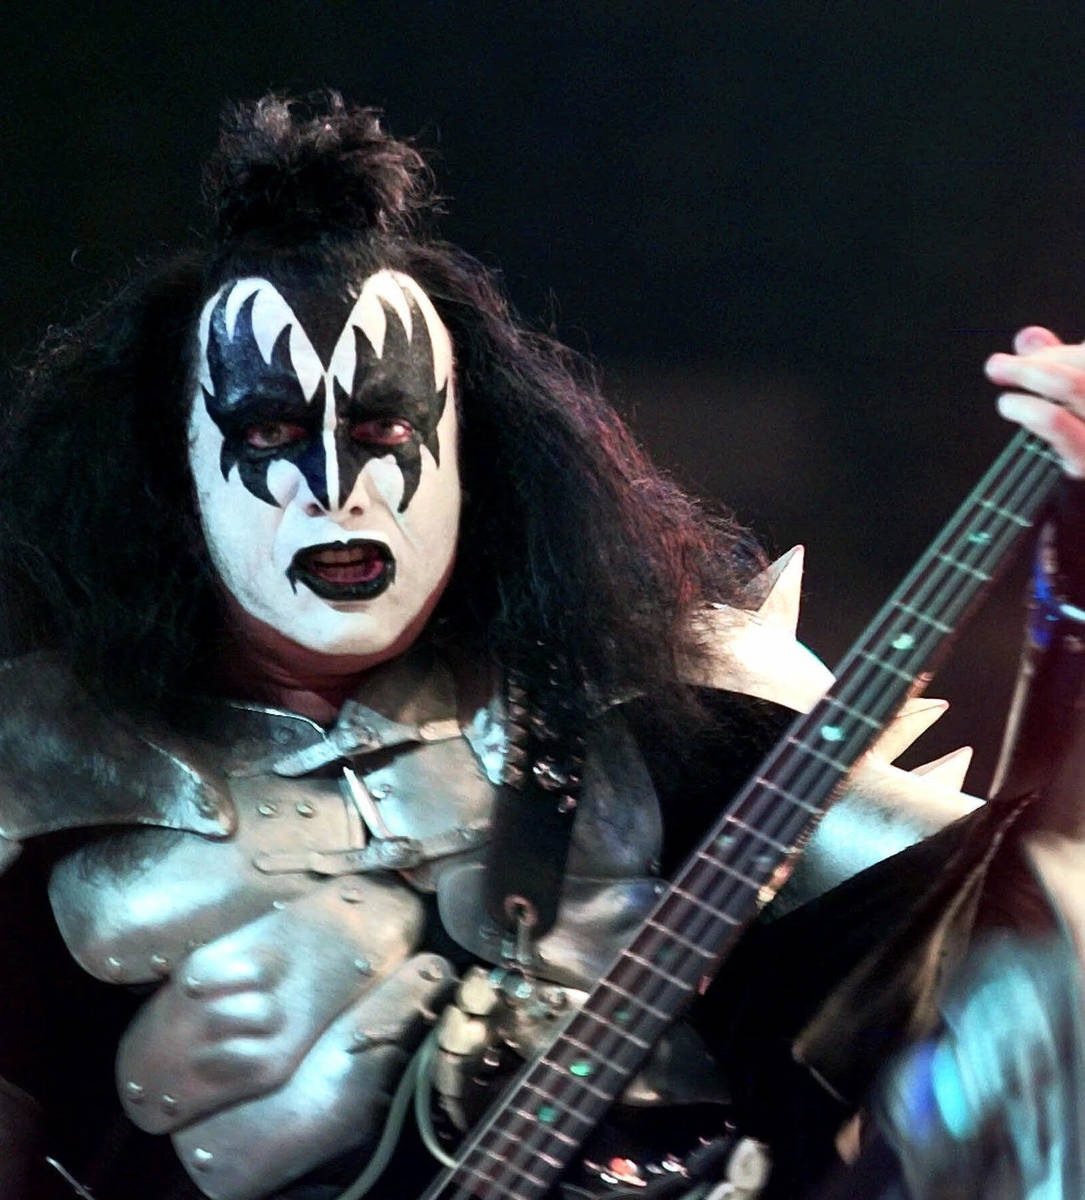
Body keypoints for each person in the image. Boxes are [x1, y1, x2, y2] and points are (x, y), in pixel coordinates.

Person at [0, 91, 1042, 1200]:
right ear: (170, 471)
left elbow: (1029, 966)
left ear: (471, 451)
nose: (335, 488)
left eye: (383, 428)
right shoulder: (34, 774)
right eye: (268, 432)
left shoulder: (683, 708)